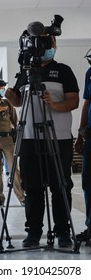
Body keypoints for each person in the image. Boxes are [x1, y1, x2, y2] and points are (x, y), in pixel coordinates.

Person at [5, 35, 79, 248]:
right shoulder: (25, 72)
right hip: (29, 137)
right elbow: (19, 101)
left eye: (52, 45)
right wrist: (12, 97)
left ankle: (63, 231)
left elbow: (73, 100)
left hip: (59, 137)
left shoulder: (63, 70)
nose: (49, 48)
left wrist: (55, 105)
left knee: (61, 185)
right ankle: (34, 232)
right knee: (33, 187)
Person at [0, 78, 25, 207]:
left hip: (8, 140)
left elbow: (14, 121)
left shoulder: (7, 103)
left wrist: (16, 133)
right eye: (1, 88)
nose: (3, 90)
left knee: (14, 169)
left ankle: (21, 197)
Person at [74, 49, 91, 242]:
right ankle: (90, 228)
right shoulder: (90, 73)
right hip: (90, 136)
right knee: (88, 183)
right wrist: (80, 135)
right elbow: (86, 102)